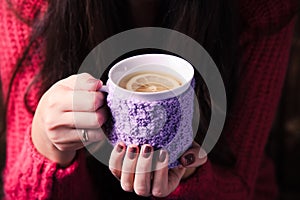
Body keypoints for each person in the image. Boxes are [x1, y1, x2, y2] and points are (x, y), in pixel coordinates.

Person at [0, 0, 298, 199]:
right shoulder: (30, 5)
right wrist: (46, 143)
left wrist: (189, 176)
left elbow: (240, 185)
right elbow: (19, 190)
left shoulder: (260, 9)